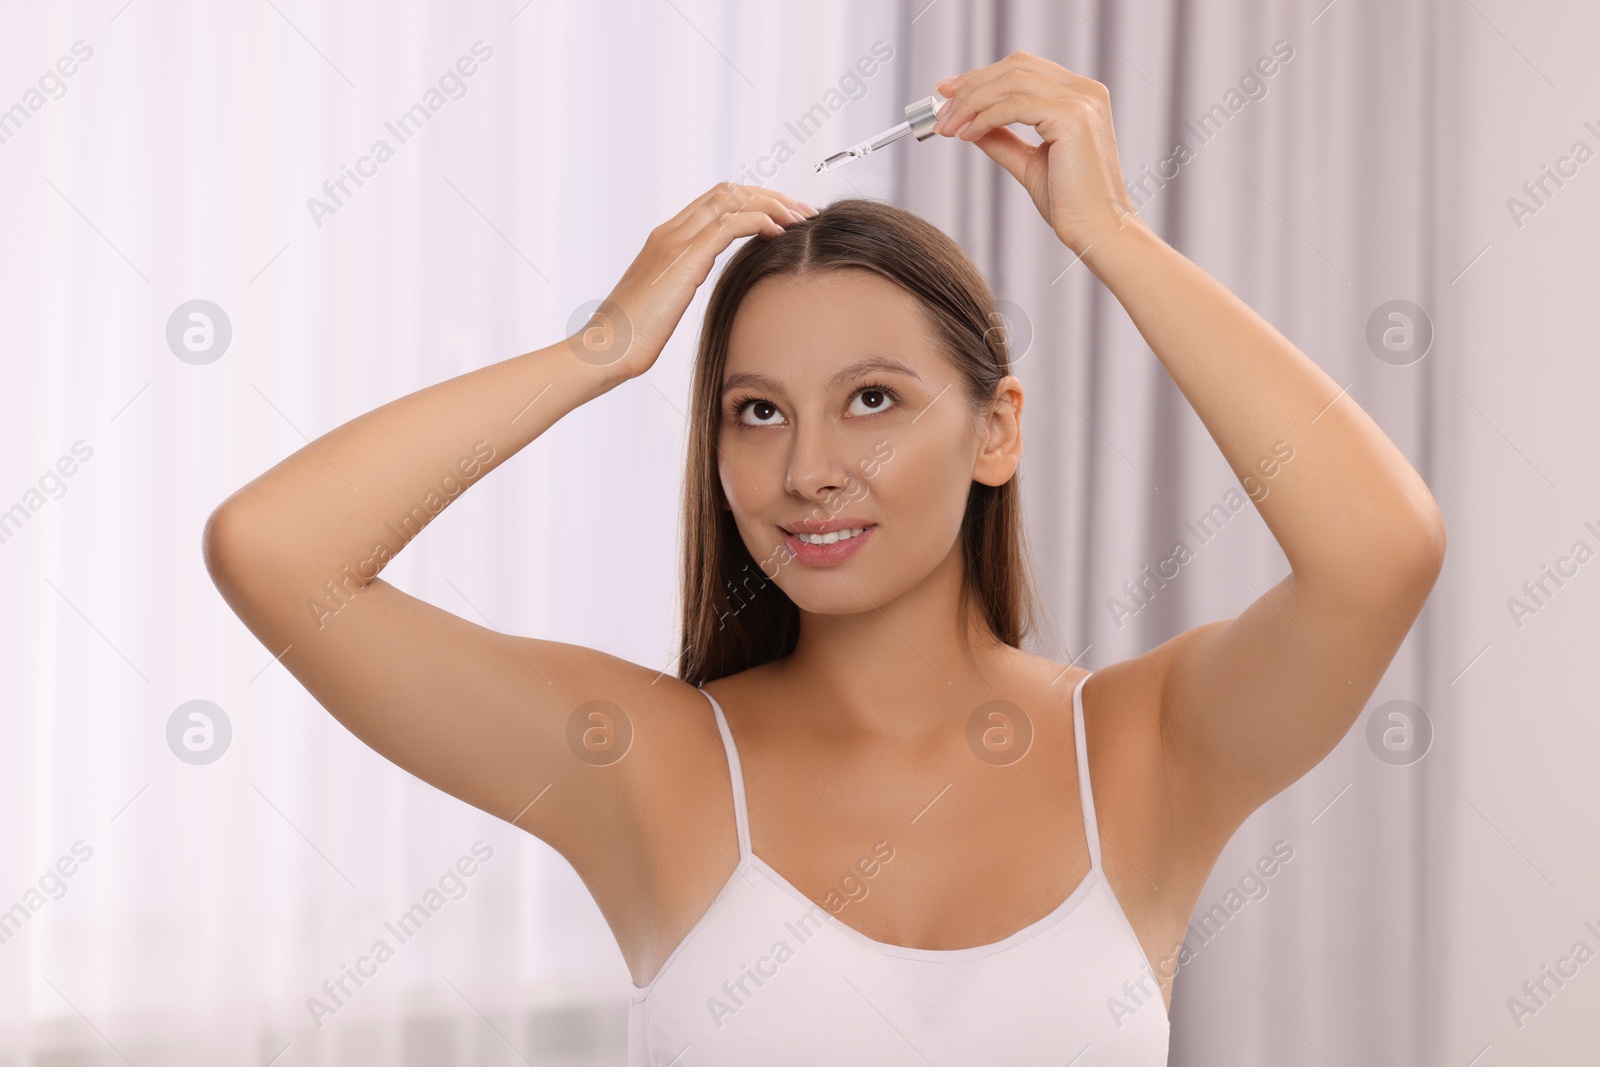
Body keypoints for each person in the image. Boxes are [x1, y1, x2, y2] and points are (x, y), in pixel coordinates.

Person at [204, 51, 1445, 1064]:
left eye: (870, 400)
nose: (805, 469)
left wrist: (1109, 230)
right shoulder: (649, 763)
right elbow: (275, 550)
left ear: (995, 429)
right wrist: (602, 347)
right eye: (756, 410)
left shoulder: (1139, 746)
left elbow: (1378, 551)